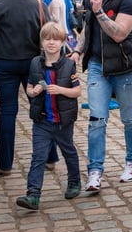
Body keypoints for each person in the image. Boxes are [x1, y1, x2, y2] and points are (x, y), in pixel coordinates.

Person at [69, 0, 132, 194]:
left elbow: (120, 33)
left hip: (125, 68)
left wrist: (100, 11)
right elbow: (88, 29)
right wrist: (77, 51)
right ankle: (95, 170)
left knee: (129, 118)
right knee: (96, 120)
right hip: (98, 66)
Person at [0, 0, 56, 176]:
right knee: (41, 108)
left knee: (8, 111)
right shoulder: (38, 4)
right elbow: (49, 34)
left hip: (5, 63)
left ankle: (5, 164)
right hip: (33, 63)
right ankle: (50, 157)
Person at [15, 22, 82, 210]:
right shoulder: (35, 63)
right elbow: (29, 87)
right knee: (38, 156)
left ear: (62, 42)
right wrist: (33, 91)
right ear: (42, 42)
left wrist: (60, 89)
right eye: (47, 39)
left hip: (63, 121)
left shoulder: (69, 65)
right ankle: (33, 195)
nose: (51, 43)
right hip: (42, 120)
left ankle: (74, 182)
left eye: (55, 39)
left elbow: (77, 92)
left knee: (69, 152)